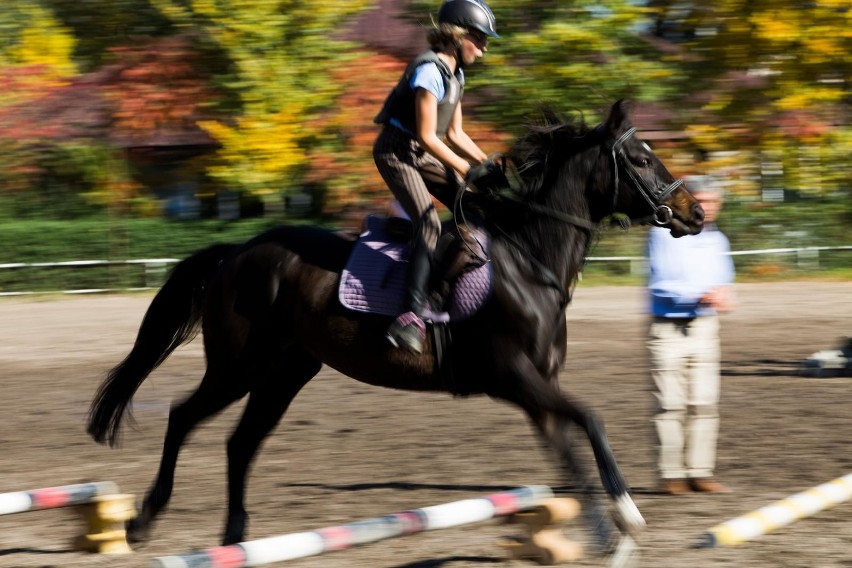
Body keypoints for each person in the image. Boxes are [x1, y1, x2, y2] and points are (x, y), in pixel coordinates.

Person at [373, 0, 504, 354]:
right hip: (396, 153)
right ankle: (409, 318)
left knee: (474, 203)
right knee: (429, 224)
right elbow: (428, 136)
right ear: (457, 35)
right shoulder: (429, 72)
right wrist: (466, 169)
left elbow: (456, 135)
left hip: (421, 152)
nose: (484, 48)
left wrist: (489, 162)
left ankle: (446, 285)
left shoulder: (456, 74)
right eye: (479, 39)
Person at [646, 174, 736, 494]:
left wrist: (725, 295)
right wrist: (701, 294)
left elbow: (724, 281)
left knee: (704, 404)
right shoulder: (663, 236)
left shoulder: (719, 241)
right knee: (669, 405)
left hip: (704, 327)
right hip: (667, 328)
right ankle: (671, 475)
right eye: (702, 200)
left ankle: (700, 472)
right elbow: (661, 283)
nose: (708, 207)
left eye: (713, 202)